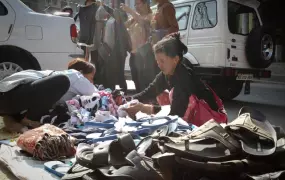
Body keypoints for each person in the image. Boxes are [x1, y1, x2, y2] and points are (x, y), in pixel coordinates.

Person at [125, 33, 220, 120]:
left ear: (175, 59)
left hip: (211, 119)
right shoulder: (166, 73)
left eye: (162, 61)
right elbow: (150, 91)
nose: (159, 65)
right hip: (186, 112)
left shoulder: (183, 78)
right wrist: (127, 100)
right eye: (157, 61)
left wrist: (146, 111)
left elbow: (175, 116)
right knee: (161, 97)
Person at [0, 58, 97, 133]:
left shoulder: (66, 89)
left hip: (9, 102)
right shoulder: (75, 75)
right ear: (81, 72)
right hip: (8, 95)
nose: (92, 82)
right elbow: (96, 94)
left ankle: (20, 122)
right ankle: (28, 120)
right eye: (91, 77)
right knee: (62, 80)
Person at [120, 0, 153, 93]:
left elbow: (143, 22)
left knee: (144, 80)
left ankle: (148, 100)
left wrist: (130, 10)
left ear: (145, 4)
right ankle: (140, 99)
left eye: (138, 4)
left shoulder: (150, 16)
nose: (136, 6)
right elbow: (123, 26)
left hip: (144, 54)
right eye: (135, 5)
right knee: (135, 79)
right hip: (133, 53)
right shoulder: (133, 18)